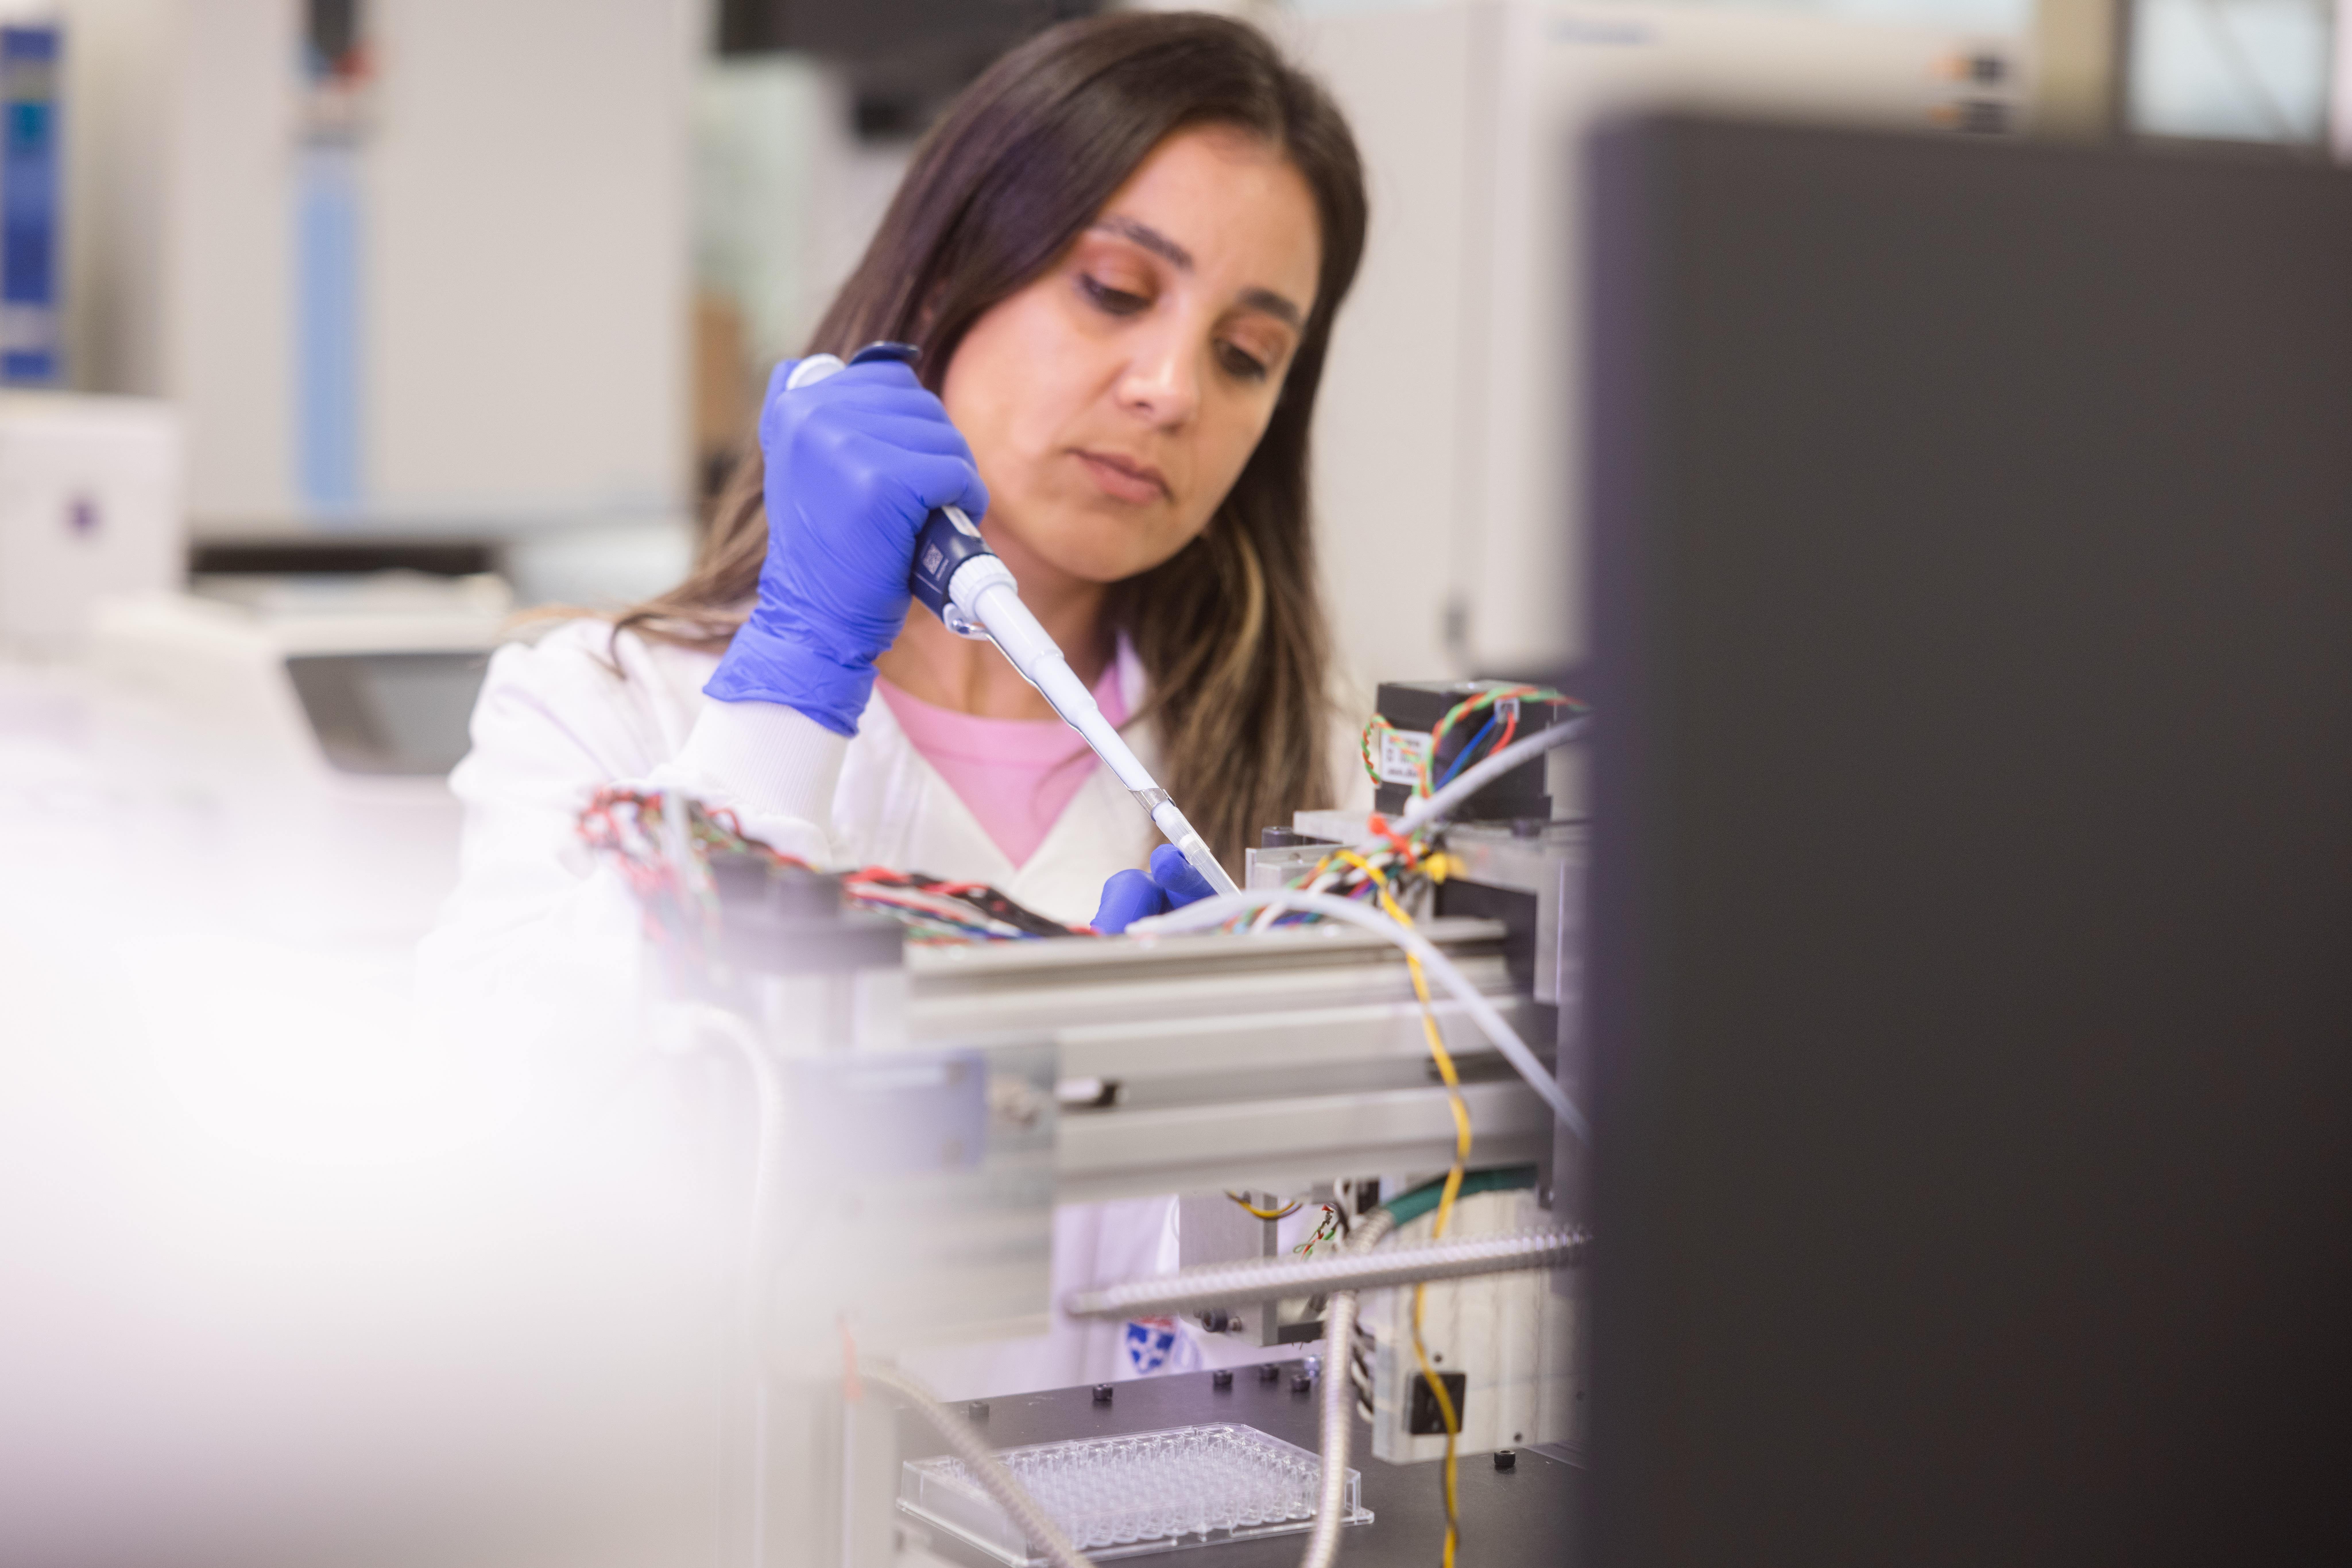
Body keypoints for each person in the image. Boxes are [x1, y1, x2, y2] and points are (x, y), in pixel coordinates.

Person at [420, 11, 1369, 1393]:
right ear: (943, 284)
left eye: (1244, 355)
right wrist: (786, 691)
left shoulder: (1304, 784)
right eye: (1113, 288)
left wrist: (1206, 1132)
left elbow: (1337, 1322)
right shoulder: (605, 706)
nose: (1169, 389)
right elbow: (496, 1123)